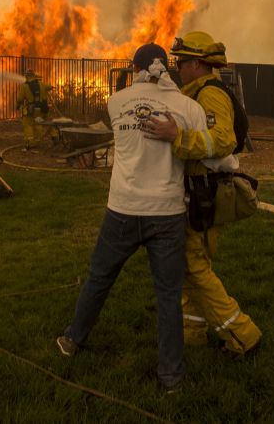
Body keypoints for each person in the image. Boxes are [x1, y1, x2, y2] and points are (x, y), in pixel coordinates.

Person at [56, 43, 209, 394]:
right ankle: (171, 378)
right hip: (167, 212)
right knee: (168, 295)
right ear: (167, 68)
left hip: (122, 209)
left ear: (134, 68)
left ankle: (71, 340)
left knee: (98, 278)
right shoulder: (189, 107)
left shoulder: (116, 102)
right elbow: (204, 149)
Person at [143, 31, 262, 358]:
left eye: (181, 62)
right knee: (187, 265)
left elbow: (220, 140)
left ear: (197, 63)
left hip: (205, 192)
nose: (178, 67)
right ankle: (192, 331)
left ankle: (243, 334)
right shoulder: (195, 92)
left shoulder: (211, 94)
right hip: (198, 191)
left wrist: (176, 136)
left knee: (194, 267)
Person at [17, 69, 52, 149]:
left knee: (28, 125)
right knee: (38, 124)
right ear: (34, 76)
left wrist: (18, 105)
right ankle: (37, 142)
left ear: (26, 76)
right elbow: (49, 87)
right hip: (40, 109)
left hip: (29, 109)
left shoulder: (25, 86)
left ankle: (30, 143)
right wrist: (50, 87)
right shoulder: (41, 84)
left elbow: (20, 98)